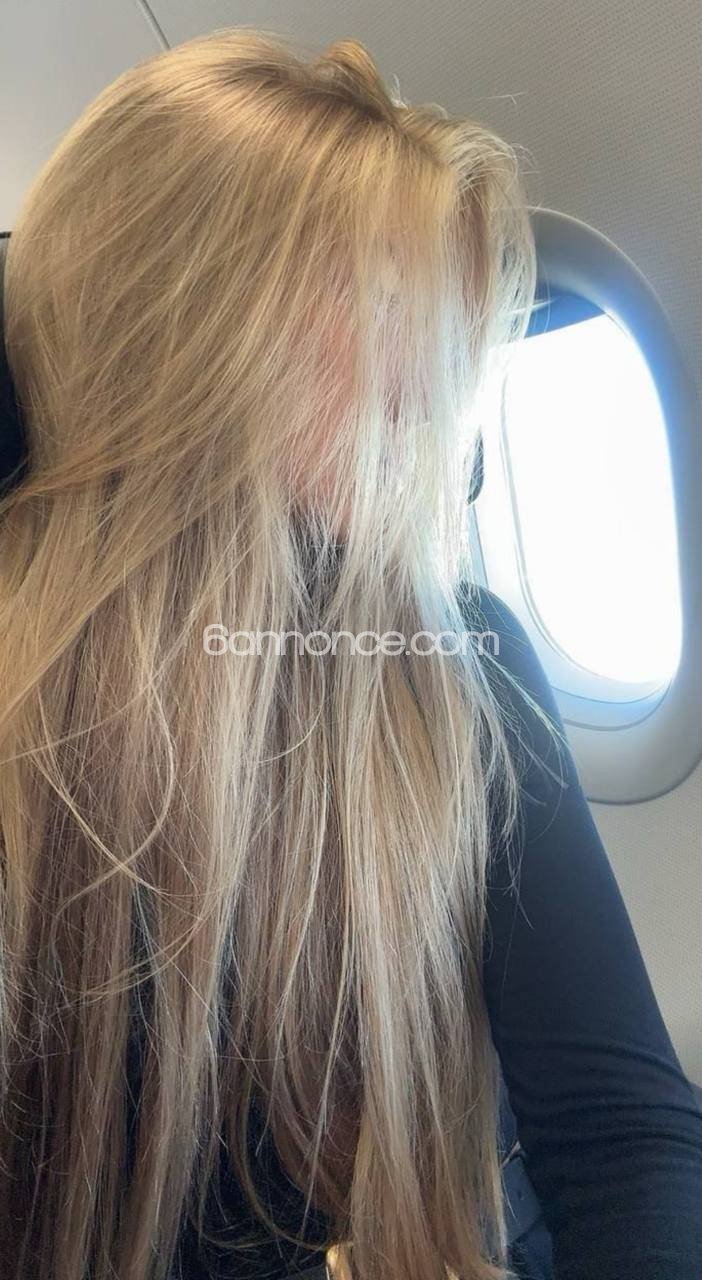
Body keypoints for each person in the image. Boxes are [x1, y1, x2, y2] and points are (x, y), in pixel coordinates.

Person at [0, 28, 700, 1280]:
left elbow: (624, 1136)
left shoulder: (463, 668)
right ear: (192, 324)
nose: (442, 378)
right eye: (386, 303)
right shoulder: (26, 726)